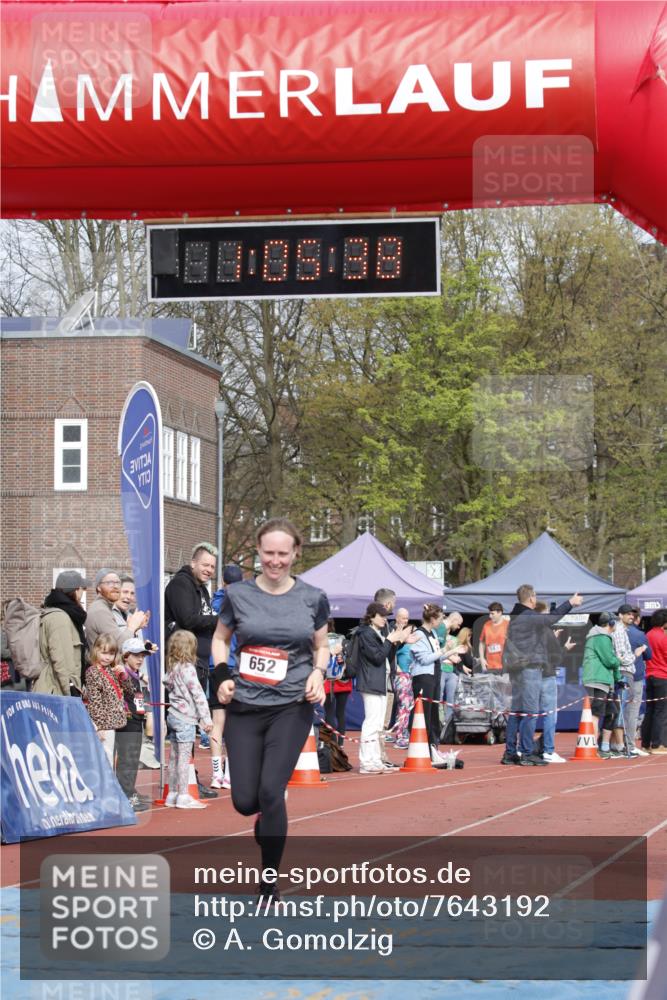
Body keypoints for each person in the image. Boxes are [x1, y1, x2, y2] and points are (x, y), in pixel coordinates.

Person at [211, 518, 330, 901]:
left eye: (282, 553)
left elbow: (322, 646)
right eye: (268, 553)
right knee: (245, 801)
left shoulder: (313, 597)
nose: (275, 561)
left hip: (291, 706)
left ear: (295, 553)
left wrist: (318, 673)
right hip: (245, 704)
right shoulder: (238, 595)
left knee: (271, 790)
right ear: (258, 553)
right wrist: (222, 675)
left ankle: (268, 881)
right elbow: (219, 639)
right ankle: (264, 815)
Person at [502, 584, 582, 766]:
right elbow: (551, 619)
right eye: (535, 596)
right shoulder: (528, 616)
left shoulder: (515, 617)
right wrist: (570, 603)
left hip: (517, 668)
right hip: (530, 667)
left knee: (517, 712)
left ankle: (510, 752)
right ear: (531, 598)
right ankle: (526, 752)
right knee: (530, 712)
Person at [356, 602, 412, 773]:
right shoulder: (366, 633)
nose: (385, 619)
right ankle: (366, 762)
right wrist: (389, 640)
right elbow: (377, 657)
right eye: (381, 616)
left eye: (386, 616)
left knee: (378, 724)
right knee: (371, 722)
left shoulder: (378, 633)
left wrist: (397, 641)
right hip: (370, 682)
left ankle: (374, 760)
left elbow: (387, 655)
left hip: (381, 681)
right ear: (371, 616)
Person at [163, 629, 213, 808]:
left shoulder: (172, 668)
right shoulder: (188, 669)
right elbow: (198, 694)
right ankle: (183, 795)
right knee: (184, 758)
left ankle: (172, 793)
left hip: (173, 715)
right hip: (185, 718)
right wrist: (206, 718)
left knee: (173, 757)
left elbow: (166, 683)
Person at [411, 604, 463, 763]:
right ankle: (424, 750)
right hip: (423, 678)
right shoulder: (418, 634)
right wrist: (443, 650)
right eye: (440, 619)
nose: (441, 622)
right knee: (424, 716)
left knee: (434, 716)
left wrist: (452, 651)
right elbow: (425, 659)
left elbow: (437, 657)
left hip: (434, 676)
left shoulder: (433, 633)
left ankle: (433, 748)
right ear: (432, 619)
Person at [209, 564, 243, 789]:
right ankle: (230, 774)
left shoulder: (214, 602)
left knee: (217, 722)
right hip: (235, 667)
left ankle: (216, 774)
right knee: (234, 723)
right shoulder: (243, 603)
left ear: (223, 582)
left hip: (215, 665)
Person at [114, 638, 154, 812]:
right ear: (126, 656)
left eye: (142, 656)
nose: (140, 659)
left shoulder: (136, 675)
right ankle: (126, 795)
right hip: (127, 722)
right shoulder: (122, 673)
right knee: (127, 760)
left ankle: (129, 790)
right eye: (136, 655)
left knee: (133, 759)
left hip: (136, 720)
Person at [533, 601, 576, 763]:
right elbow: (556, 657)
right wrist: (564, 648)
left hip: (531, 675)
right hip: (546, 674)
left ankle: (524, 748)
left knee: (528, 713)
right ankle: (548, 750)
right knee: (550, 713)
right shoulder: (546, 630)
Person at [33, 570, 88, 697]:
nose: (83, 593)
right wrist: (71, 692)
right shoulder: (59, 618)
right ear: (75, 590)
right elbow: (62, 661)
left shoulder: (63, 614)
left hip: (57, 689)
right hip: (56, 692)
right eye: (82, 588)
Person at [581, 612, 623, 758]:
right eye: (615, 622)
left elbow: (610, 662)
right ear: (611, 623)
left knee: (612, 712)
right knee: (596, 713)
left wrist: (618, 678)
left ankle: (604, 746)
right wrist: (619, 660)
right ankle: (593, 747)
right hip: (597, 679)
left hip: (604, 680)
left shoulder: (603, 636)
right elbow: (610, 660)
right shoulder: (601, 637)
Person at [85, 633, 128, 766]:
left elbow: (129, 691)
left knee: (111, 757)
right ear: (96, 651)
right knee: (106, 759)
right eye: (104, 653)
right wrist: (100, 726)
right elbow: (95, 701)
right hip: (105, 723)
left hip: (114, 721)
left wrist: (123, 676)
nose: (107, 657)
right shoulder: (93, 672)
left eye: (111, 653)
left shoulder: (111, 670)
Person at [615, 603, 649, 756]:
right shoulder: (626, 632)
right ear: (620, 615)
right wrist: (636, 654)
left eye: (632, 614)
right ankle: (628, 745)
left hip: (625, 673)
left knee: (619, 709)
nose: (631, 616)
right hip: (628, 673)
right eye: (628, 614)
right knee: (628, 711)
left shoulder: (622, 630)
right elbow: (623, 657)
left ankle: (615, 744)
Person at [86, 569, 148, 651]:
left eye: (118, 583)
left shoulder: (105, 608)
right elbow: (119, 645)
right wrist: (132, 627)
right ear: (99, 587)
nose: (115, 586)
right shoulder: (100, 611)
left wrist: (143, 647)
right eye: (109, 583)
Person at [625, 608, 652, 756]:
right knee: (632, 711)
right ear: (637, 619)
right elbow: (648, 655)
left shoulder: (617, 631)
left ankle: (612, 744)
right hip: (635, 675)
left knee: (617, 710)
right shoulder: (639, 634)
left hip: (618, 674)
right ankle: (630, 745)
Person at [323, 622, 353, 748]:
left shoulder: (321, 640)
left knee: (329, 713)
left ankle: (333, 742)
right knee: (340, 713)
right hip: (343, 681)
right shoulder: (342, 639)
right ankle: (340, 743)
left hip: (328, 681)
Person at [642, 609, 667, 754]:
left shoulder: (648, 634)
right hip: (662, 675)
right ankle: (658, 744)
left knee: (650, 710)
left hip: (649, 675)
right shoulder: (663, 637)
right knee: (661, 712)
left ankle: (646, 743)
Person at [479, 603, 509, 672]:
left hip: (505, 666)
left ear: (500, 613)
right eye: (489, 613)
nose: (490, 616)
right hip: (489, 666)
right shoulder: (486, 625)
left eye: (492, 614)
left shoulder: (508, 625)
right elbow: (482, 643)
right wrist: (482, 659)